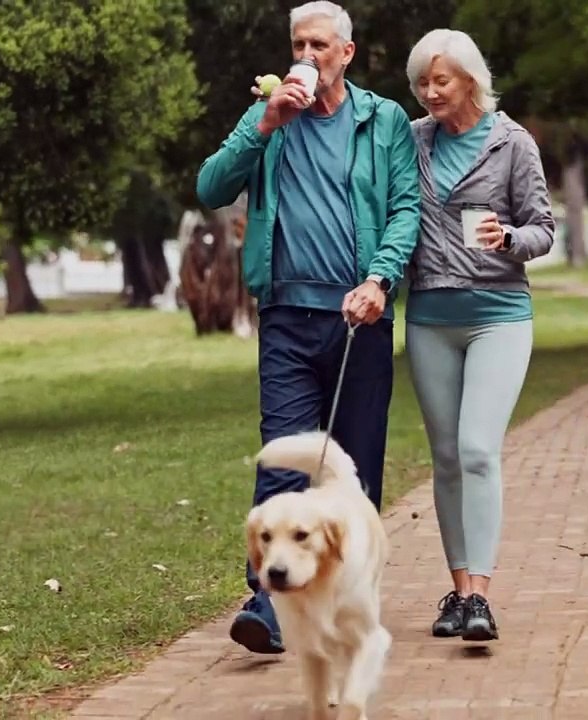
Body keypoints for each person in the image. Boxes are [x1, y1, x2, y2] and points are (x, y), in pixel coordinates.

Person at [195, 0, 421, 654]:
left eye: (319, 45)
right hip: (288, 318)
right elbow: (211, 187)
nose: (306, 56)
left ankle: (345, 598)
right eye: (298, 44)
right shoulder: (270, 117)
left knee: (352, 470)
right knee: (284, 462)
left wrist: (379, 279)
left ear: (346, 53)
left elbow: (404, 210)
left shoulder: (383, 123)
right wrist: (265, 123)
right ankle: (267, 603)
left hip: (360, 319)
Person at [401, 29, 555, 642]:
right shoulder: (410, 142)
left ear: (470, 79)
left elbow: (543, 228)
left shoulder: (512, 143)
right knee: (444, 459)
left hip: (499, 314)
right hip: (430, 318)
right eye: (422, 82)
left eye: (441, 80)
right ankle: (459, 592)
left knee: (476, 450)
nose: (430, 92)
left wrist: (509, 238)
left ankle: (484, 598)